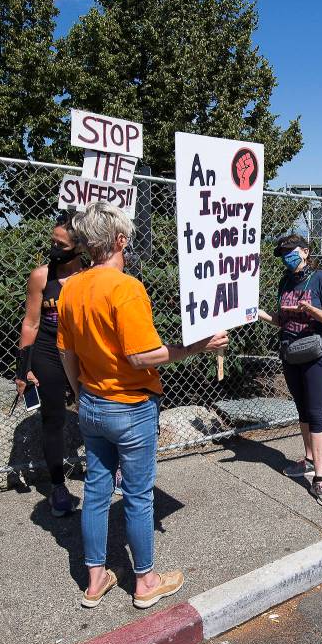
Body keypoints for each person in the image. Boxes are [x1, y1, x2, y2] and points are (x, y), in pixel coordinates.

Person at [56, 201, 228, 609]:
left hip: (92, 403)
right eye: (127, 237)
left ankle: (95, 579)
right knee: (137, 494)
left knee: (96, 491)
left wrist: (79, 394)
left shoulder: (70, 289)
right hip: (130, 406)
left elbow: (66, 353)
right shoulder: (125, 287)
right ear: (117, 240)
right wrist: (198, 346)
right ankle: (146, 581)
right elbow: (141, 356)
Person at [258, 235, 322, 508]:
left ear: (305, 252)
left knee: (317, 414)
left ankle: (320, 477)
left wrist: (311, 309)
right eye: (282, 253)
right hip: (291, 353)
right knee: (303, 410)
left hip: (317, 355)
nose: (286, 257)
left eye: (290, 251)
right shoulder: (285, 282)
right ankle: (307, 460)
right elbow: (282, 321)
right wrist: (257, 313)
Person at [15, 214, 85, 516]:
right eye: (52, 241)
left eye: (61, 244)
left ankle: (111, 473)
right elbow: (31, 322)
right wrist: (22, 369)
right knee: (53, 419)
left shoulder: (92, 276)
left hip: (84, 353)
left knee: (99, 415)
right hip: (47, 352)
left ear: (81, 247)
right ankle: (58, 488)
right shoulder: (42, 276)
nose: (54, 248)